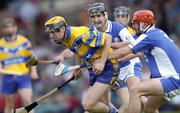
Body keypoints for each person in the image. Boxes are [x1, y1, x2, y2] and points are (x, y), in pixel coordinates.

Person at [108, 10, 180, 113]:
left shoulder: (150, 36)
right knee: (149, 108)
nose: (134, 26)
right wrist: (109, 47)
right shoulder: (154, 33)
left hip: (173, 79)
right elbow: (130, 47)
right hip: (170, 78)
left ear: (144, 24)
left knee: (135, 90)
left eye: (136, 23)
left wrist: (103, 59)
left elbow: (125, 50)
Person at [44, 16, 119, 113]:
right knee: (104, 104)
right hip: (93, 68)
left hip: (107, 66)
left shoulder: (80, 34)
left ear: (62, 29)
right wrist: (77, 69)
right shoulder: (66, 38)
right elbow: (77, 51)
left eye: (54, 32)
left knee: (88, 105)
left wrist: (101, 62)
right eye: (50, 33)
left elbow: (108, 38)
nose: (52, 36)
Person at [87, 3, 142, 113]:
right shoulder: (90, 32)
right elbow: (76, 48)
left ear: (106, 15)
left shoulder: (118, 28)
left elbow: (138, 50)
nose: (96, 19)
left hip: (128, 66)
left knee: (132, 99)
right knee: (100, 105)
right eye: (93, 17)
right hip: (111, 70)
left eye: (98, 16)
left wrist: (115, 56)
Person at [0, 18, 38, 113]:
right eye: (6, 27)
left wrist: (34, 71)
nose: (9, 29)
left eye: (11, 27)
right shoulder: (0, 44)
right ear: (2, 29)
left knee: (28, 102)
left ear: (15, 28)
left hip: (23, 76)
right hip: (7, 77)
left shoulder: (24, 41)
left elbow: (32, 57)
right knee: (9, 105)